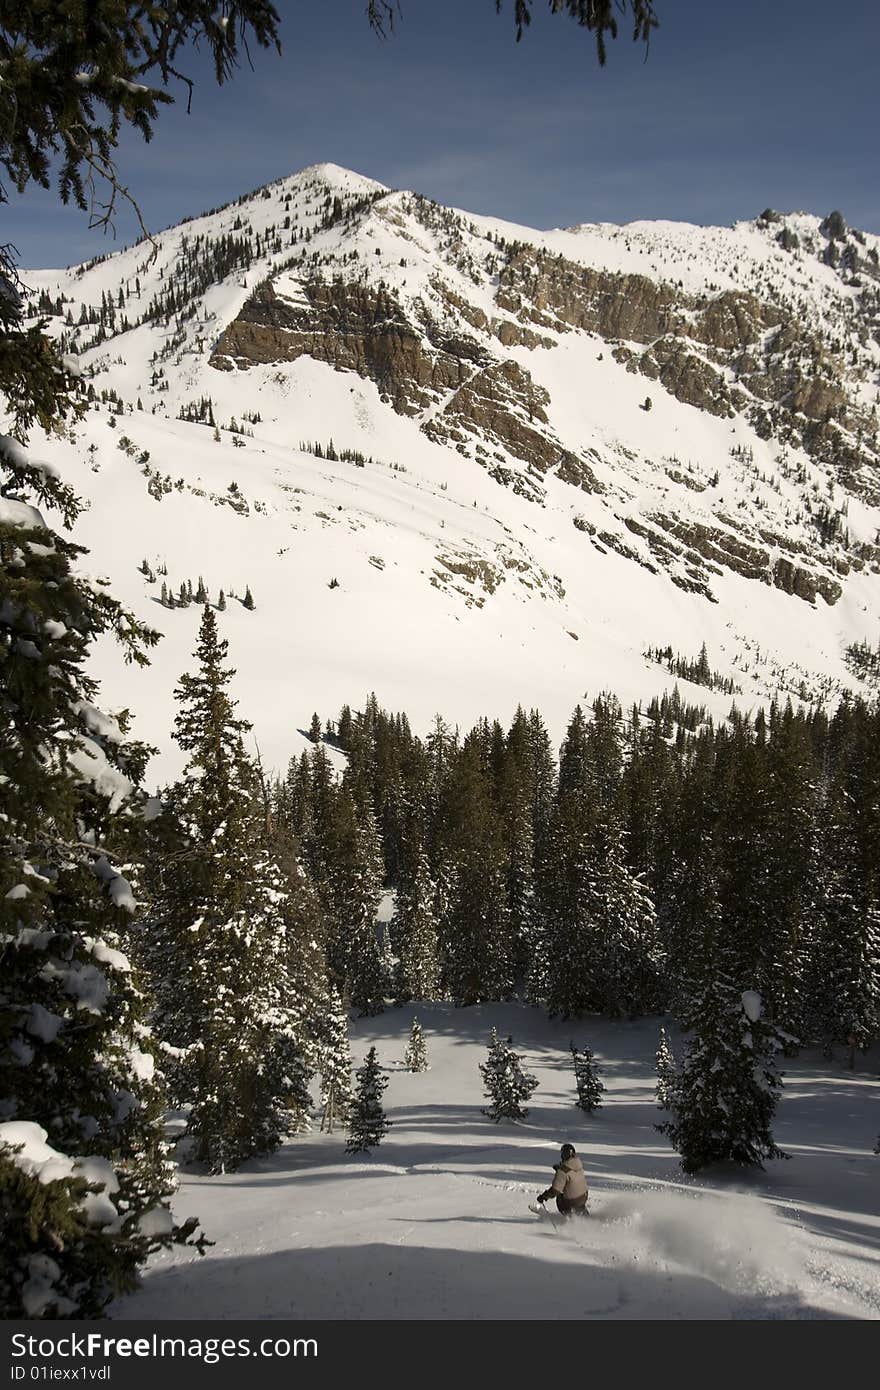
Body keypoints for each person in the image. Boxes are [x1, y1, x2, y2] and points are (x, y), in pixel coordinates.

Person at [536, 1142, 588, 1216]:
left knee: (559, 1197)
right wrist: (559, 1169)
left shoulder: (562, 1171)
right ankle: (582, 1211)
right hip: (584, 1196)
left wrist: (543, 1196)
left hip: (574, 1201)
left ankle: (569, 1216)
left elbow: (555, 1190)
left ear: (564, 1155)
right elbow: (571, 1174)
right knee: (575, 1193)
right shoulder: (578, 1164)